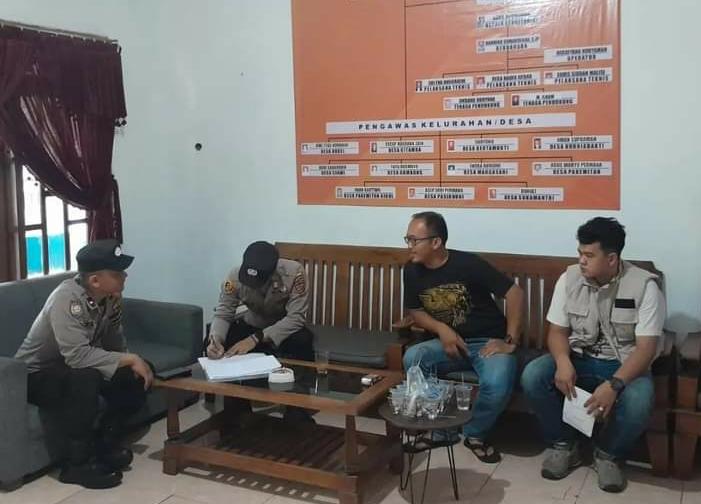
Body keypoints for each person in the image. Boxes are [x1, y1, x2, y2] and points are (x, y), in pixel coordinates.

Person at [520, 217, 666, 493]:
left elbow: (646, 349)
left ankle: (608, 454)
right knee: (533, 375)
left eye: (589, 255)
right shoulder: (570, 278)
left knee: (640, 399)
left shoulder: (645, 287)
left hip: (623, 365)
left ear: (611, 259)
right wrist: (563, 362)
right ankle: (564, 444)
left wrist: (615, 385)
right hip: (579, 357)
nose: (581, 261)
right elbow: (557, 332)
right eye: (580, 253)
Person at [14, 239, 153, 489]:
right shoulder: (67, 299)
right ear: (95, 280)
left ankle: (105, 444)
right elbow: (77, 356)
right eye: (117, 273)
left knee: (134, 374)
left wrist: (132, 362)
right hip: (35, 374)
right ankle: (76, 465)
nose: (124, 276)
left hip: (71, 368)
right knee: (86, 377)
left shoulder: (107, 298)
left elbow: (114, 344)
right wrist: (130, 359)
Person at [401, 211, 524, 463]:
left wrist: (510, 341)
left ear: (436, 242)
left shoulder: (468, 264)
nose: (409, 246)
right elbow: (415, 311)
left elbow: (515, 293)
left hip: (487, 342)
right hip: (446, 343)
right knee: (413, 358)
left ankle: (475, 434)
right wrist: (442, 329)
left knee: (497, 381)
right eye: (408, 239)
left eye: (415, 240)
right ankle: (441, 430)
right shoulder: (411, 270)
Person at [207, 241, 313, 362]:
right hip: (252, 324)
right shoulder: (235, 277)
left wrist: (255, 339)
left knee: (303, 341)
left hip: (282, 328)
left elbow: (296, 318)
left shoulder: (294, 273)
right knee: (214, 342)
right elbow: (223, 313)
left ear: (273, 272)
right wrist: (216, 339)